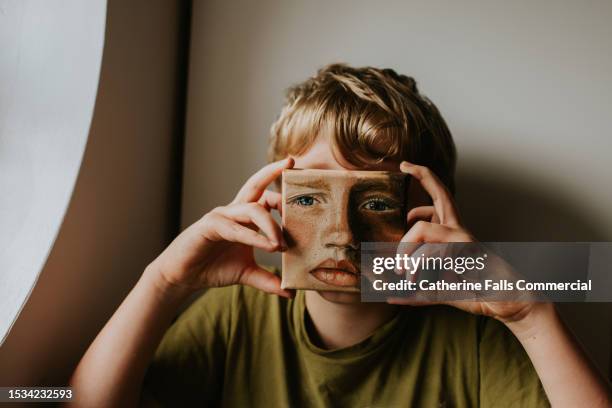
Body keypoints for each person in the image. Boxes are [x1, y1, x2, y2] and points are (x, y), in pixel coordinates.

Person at [69, 64, 611, 407]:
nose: (341, 234)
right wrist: (163, 281)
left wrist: (530, 315)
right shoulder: (236, 317)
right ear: (275, 199)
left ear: (427, 216)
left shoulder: (474, 335)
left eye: (375, 202)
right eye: (309, 198)